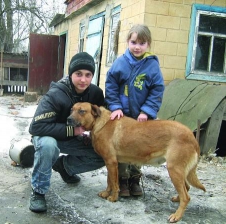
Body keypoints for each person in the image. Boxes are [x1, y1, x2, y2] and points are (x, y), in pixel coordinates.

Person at [28, 52, 105, 213]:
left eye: (88, 75)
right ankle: (38, 191)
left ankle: (64, 166)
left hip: (72, 137)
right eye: (78, 74)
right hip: (47, 136)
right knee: (48, 146)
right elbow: (36, 127)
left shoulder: (96, 94)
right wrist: (73, 130)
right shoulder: (56, 94)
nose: (83, 79)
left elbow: (101, 118)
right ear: (70, 74)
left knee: (102, 154)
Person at [105, 24, 165, 197]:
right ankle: (122, 181)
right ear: (127, 42)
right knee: (122, 148)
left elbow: (157, 89)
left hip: (142, 118)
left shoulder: (152, 65)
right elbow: (110, 86)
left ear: (148, 44)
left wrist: (147, 111)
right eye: (133, 42)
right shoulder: (120, 62)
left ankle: (135, 179)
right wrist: (115, 107)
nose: (137, 47)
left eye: (142, 43)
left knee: (139, 147)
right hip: (123, 116)